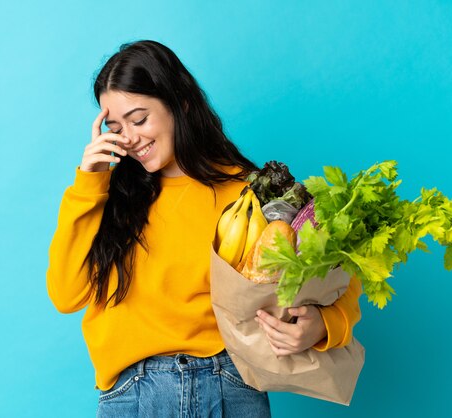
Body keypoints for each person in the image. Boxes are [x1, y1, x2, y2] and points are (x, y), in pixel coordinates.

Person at [46, 40, 362, 418]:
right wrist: (89, 183)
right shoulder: (107, 195)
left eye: (139, 119)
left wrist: (324, 326)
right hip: (133, 396)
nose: (128, 138)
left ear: (181, 104)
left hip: (229, 386)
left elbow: (335, 279)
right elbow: (67, 294)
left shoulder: (250, 193)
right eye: (115, 127)